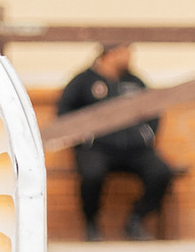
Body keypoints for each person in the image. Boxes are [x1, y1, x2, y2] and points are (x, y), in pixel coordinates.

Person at [58, 42, 177, 241]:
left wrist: (146, 135)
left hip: (135, 149)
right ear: (109, 54)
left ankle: (136, 220)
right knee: (91, 174)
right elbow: (64, 113)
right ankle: (91, 224)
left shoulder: (135, 81)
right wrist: (82, 139)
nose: (130, 57)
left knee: (161, 172)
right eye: (125, 52)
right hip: (96, 148)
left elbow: (153, 110)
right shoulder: (83, 81)